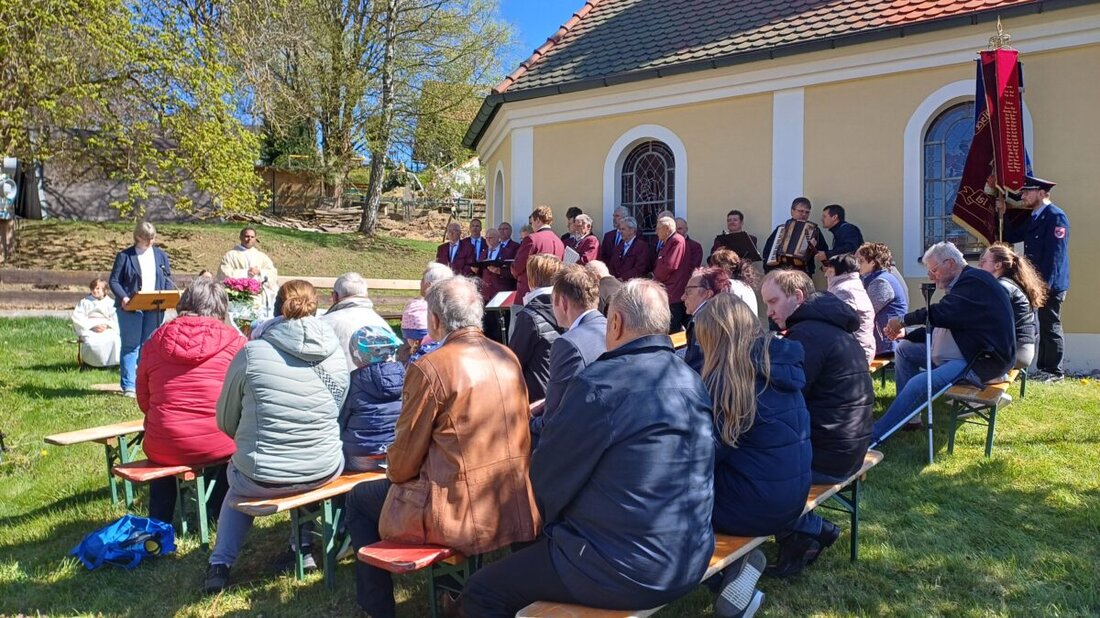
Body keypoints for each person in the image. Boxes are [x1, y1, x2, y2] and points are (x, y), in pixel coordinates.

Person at [460, 280, 715, 616]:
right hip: (690, 552)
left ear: (616, 323)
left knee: (481, 592)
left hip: (628, 567)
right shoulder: (688, 377)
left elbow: (548, 478)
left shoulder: (601, 384)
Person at [346, 277, 540, 618]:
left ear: (435, 320)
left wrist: (394, 467)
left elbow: (403, 463)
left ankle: (376, 610)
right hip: (512, 498)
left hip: (459, 511)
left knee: (359, 499)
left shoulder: (430, 367)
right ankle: (451, 593)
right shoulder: (507, 356)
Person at [203, 280, 347, 593]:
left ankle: (220, 563)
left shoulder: (252, 353)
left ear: (274, 308)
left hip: (263, 473)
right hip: (323, 467)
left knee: (236, 480)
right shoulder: (336, 352)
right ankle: (302, 546)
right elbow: (338, 407)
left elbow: (226, 419)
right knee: (298, 464)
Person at [695, 293, 812, 618]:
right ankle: (733, 577)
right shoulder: (781, 366)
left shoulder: (728, 381)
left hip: (755, 507)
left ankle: (718, 575)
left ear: (714, 338)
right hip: (793, 499)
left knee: (673, 502)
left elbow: (704, 458)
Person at [760, 269, 873, 577]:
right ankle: (801, 535)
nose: (768, 311)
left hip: (829, 455)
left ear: (797, 297)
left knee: (748, 469)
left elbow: (784, 402)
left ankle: (811, 528)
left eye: (773, 301)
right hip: (850, 445)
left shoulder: (807, 335)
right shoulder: (831, 328)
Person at [870, 242, 1015, 446]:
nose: (931, 276)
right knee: (904, 349)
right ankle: (909, 418)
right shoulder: (967, 281)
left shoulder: (974, 282)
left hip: (982, 362)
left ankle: (874, 436)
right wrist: (907, 334)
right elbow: (945, 325)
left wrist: (903, 320)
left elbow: (943, 314)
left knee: (918, 384)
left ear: (950, 263)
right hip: (965, 350)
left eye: (933, 269)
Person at [136, 277, 244, 527]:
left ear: (184, 302)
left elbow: (144, 398)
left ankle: (159, 522)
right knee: (229, 448)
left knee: (162, 448)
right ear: (221, 308)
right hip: (218, 440)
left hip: (163, 440)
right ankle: (217, 515)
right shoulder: (236, 342)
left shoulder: (155, 340)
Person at [998, 175, 1069, 381]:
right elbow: (1012, 236)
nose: (1023, 195)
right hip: (1036, 283)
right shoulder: (1035, 216)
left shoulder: (1056, 216)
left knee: (1050, 325)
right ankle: (1043, 369)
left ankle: (1055, 371)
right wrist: (1003, 213)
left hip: (1049, 283)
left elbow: (1055, 257)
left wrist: (1044, 286)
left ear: (1041, 193)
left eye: (1027, 191)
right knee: (1038, 325)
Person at [530, 264, 607, 445]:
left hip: (580, 440)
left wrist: (526, 420)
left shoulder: (568, 343)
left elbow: (553, 419)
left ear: (563, 302)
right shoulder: (612, 328)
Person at [109, 221, 173, 397]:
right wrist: (124, 297)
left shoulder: (160, 256)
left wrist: (167, 295)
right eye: (147, 239)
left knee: (149, 346)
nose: (151, 241)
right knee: (131, 345)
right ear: (138, 237)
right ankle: (129, 385)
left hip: (154, 306)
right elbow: (114, 281)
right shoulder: (125, 256)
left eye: (153, 238)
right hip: (131, 307)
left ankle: (145, 384)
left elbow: (167, 278)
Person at [340, 325, 405, 472]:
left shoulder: (355, 380)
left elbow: (343, 418)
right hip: (397, 449)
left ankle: (347, 496)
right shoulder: (405, 375)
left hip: (363, 454)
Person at [979, 244, 1047, 369]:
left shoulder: (1002, 287)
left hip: (1015, 353)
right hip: (1022, 350)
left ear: (997, 265)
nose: (980, 265)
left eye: (984, 261)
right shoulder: (1010, 283)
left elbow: (988, 320)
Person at [509, 254, 565, 402]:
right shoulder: (568, 307)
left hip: (536, 396)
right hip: (563, 390)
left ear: (531, 279)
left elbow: (513, 360)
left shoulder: (529, 316)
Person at [319, 272, 392, 372]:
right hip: (378, 384)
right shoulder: (382, 324)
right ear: (365, 295)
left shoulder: (324, 323)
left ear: (335, 296)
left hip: (340, 384)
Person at [856, 242, 908, 357]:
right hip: (886, 340)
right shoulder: (879, 278)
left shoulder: (881, 282)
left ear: (873, 262)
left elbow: (866, 311)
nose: (857, 265)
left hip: (888, 342)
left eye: (861, 261)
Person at [824, 254, 876, 364]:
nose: (826, 274)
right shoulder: (852, 285)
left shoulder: (845, 290)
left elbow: (839, 322)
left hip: (854, 353)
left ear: (842, 271)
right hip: (859, 347)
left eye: (830, 270)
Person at [401, 263, 455, 361]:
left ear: (429, 285)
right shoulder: (454, 307)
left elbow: (411, 337)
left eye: (422, 279)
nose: (420, 282)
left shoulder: (416, 307)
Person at [682, 267, 731, 374]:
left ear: (707, 294)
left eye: (688, 292)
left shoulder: (703, 321)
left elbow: (695, 365)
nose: (682, 297)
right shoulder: (725, 315)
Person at [761, 197, 828, 275]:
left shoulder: (814, 230)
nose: (804, 214)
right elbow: (768, 251)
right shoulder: (781, 229)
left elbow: (824, 252)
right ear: (792, 211)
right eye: (800, 211)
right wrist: (769, 269)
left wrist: (814, 247)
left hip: (803, 272)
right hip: (781, 272)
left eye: (807, 212)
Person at [217, 227, 279, 310]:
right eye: (247, 236)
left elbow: (273, 273)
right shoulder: (231, 255)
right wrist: (246, 273)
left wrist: (260, 272)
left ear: (255, 239)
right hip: (238, 295)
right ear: (240, 237)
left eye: (252, 237)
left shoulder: (261, 256)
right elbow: (224, 273)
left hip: (258, 296)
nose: (249, 239)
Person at [512, 205, 566, 299]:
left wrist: (513, 270)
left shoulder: (532, 239)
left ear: (537, 220)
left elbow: (518, 266)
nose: (531, 226)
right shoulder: (559, 241)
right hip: (552, 292)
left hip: (530, 291)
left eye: (531, 222)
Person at [72, 277, 120, 368]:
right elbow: (78, 317)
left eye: (98, 288)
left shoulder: (110, 303)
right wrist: (93, 326)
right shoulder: (85, 302)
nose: (95, 290)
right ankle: (90, 364)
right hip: (90, 329)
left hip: (107, 328)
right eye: (93, 288)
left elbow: (115, 318)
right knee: (91, 342)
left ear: (105, 290)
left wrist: (107, 326)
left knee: (114, 340)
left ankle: (111, 364)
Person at [652, 216, 690, 332]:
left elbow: (670, 265)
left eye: (658, 229)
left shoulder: (676, 240)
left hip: (674, 291)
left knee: (673, 327)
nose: (656, 232)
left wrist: (656, 277)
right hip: (668, 290)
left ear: (667, 229)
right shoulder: (668, 241)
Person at [480, 227, 517, 342]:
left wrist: (499, 271)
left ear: (498, 238)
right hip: (487, 295)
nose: (488, 240)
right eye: (486, 238)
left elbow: (513, 273)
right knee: (487, 326)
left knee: (500, 328)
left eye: (491, 238)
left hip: (501, 295)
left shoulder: (507, 253)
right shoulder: (484, 253)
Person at [708, 248, 759, 317]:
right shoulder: (745, 285)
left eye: (713, 266)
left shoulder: (728, 285)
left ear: (722, 268)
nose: (711, 270)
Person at [608, 216, 649, 281]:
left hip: (632, 284)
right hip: (616, 283)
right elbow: (612, 264)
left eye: (623, 229)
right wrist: (614, 279)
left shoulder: (641, 246)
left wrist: (623, 278)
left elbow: (640, 268)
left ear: (632, 230)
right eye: (620, 229)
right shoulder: (619, 246)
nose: (620, 232)